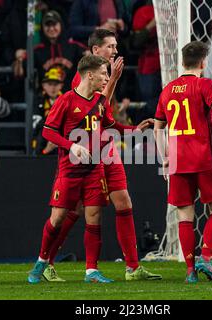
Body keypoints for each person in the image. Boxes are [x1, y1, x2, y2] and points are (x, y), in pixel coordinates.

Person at [42, 28, 161, 283]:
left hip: (106, 147)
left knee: (124, 201)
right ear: (96, 50)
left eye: (116, 45)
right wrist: (114, 80)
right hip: (85, 151)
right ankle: (46, 261)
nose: (115, 51)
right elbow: (93, 111)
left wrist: (129, 128)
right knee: (71, 211)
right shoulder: (83, 79)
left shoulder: (103, 74)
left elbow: (106, 116)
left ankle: (132, 267)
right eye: (110, 46)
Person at [27, 54, 118, 284]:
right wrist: (72, 146)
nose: (106, 77)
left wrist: (137, 128)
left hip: (94, 169)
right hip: (69, 170)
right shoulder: (66, 100)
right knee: (57, 219)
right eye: (103, 73)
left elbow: (111, 126)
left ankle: (91, 271)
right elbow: (48, 131)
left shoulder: (100, 102)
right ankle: (42, 261)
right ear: (90, 74)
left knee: (94, 216)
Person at [154, 41, 212, 283]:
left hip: (177, 161)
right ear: (204, 63)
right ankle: (205, 257)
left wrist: (165, 156)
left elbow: (157, 127)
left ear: (182, 62)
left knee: (184, 215)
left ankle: (189, 271)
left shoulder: (167, 89)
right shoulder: (204, 84)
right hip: (203, 158)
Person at [32, 66, 65, 155]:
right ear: (43, 85)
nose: (52, 88)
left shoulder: (66, 100)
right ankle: (43, 152)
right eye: (50, 84)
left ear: (61, 85)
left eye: (56, 84)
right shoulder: (38, 101)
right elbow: (36, 127)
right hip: (44, 138)